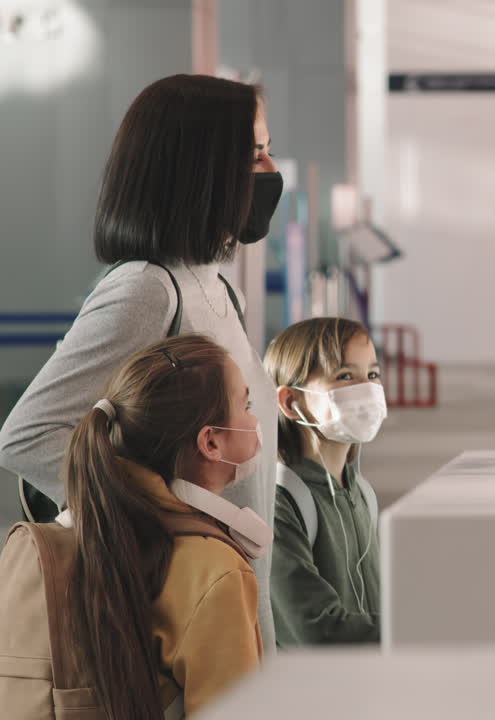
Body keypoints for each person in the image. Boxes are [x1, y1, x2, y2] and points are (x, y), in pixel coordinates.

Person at [0, 74, 283, 646]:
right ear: (203, 167)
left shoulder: (218, 287)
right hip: (181, 608)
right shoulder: (147, 289)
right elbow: (27, 437)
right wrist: (169, 516)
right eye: (254, 152)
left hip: (236, 589)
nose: (270, 168)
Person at [63, 335, 268, 718]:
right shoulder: (214, 570)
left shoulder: (70, 532)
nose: (255, 421)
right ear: (210, 443)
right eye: (247, 405)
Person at [264, 318, 386, 645]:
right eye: (345, 376)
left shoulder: (360, 492)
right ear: (291, 402)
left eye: (372, 374)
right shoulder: (279, 501)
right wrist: (419, 631)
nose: (368, 390)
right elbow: (314, 631)